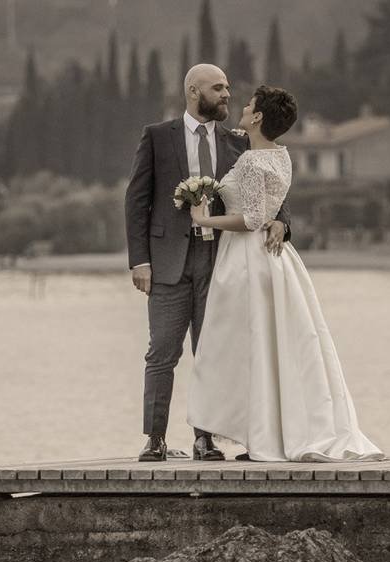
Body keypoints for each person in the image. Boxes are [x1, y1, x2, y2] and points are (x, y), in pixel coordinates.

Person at [186, 85, 384, 462]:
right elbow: (269, 212)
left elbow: (253, 218)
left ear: (258, 116)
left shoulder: (250, 162)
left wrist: (202, 218)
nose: (242, 107)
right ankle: (267, 432)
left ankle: (262, 436)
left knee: (243, 347)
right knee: (275, 345)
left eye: (248, 105)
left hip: (245, 260)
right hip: (277, 261)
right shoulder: (282, 157)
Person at [124, 64, 292, 462]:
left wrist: (283, 223)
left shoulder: (238, 142)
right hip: (166, 263)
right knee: (162, 352)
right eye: (218, 88)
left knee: (212, 351)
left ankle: (205, 438)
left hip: (220, 262)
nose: (226, 95)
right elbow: (136, 200)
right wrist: (139, 260)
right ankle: (155, 439)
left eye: (228, 88)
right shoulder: (157, 136)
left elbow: (269, 190)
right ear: (193, 91)